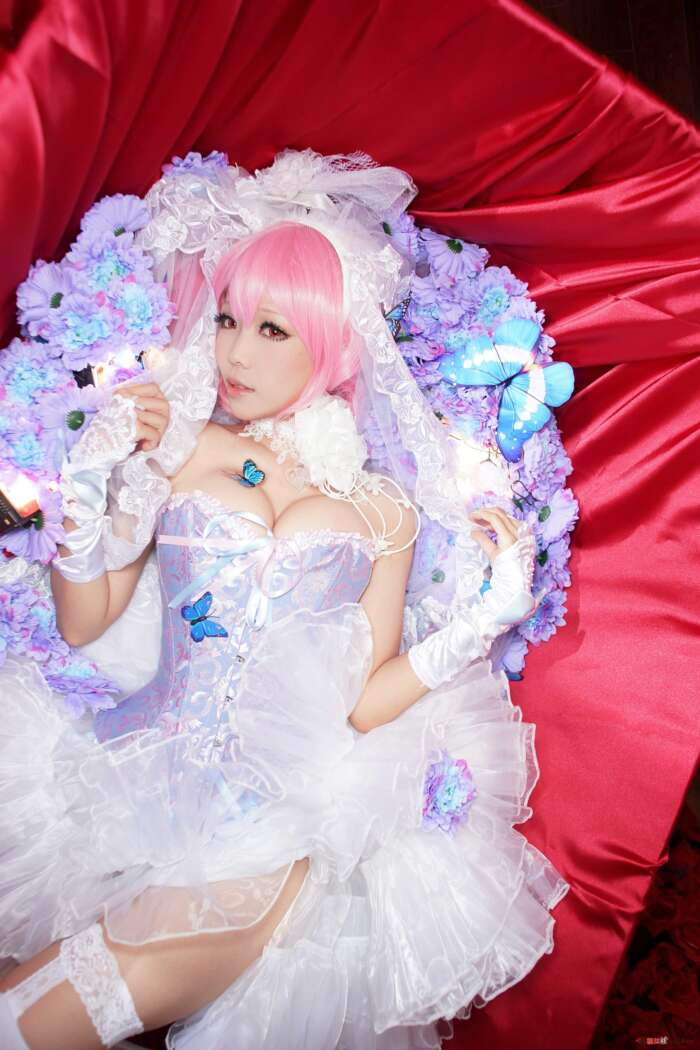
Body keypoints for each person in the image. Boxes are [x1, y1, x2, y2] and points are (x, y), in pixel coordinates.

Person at [0, 150, 570, 1049]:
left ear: (332, 341)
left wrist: (483, 619)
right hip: (117, 789)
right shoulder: (182, 449)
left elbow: (362, 700)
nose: (233, 351)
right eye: (228, 319)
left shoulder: (383, 509)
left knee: (41, 1017)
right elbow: (86, 619)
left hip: (270, 832)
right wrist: (89, 485)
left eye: (271, 329)